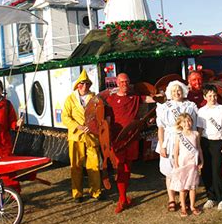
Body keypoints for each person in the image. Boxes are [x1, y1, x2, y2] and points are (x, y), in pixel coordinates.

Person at [105, 73, 156, 213]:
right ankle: (122, 199)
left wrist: (165, 95)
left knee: (127, 168)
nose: (124, 84)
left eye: (126, 82)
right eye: (121, 82)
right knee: (120, 168)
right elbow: (107, 119)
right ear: (117, 83)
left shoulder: (135, 98)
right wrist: (107, 138)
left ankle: (124, 197)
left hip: (132, 138)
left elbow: (151, 99)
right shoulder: (111, 99)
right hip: (118, 139)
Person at [156, 80, 198, 212]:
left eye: (179, 90)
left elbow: (194, 126)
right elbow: (161, 128)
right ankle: (171, 199)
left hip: (185, 142)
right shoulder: (164, 107)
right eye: (173, 91)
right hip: (169, 141)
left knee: (184, 170)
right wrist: (162, 145)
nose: (176, 93)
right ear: (169, 92)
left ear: (184, 91)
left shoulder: (190, 106)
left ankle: (183, 198)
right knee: (170, 171)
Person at [62, 69, 102, 202]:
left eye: (87, 84)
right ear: (77, 85)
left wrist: (93, 127)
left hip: (91, 136)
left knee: (94, 165)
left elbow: (100, 115)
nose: (84, 86)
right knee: (76, 166)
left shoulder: (95, 98)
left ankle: (96, 191)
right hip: (76, 137)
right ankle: (77, 194)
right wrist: (78, 127)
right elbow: (65, 117)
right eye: (82, 84)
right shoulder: (70, 99)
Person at [197, 84, 222, 211]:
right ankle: (210, 197)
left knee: (217, 170)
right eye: (210, 96)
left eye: (214, 95)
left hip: (218, 142)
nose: (213, 98)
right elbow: (200, 129)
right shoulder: (201, 111)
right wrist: (197, 145)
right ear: (205, 97)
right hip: (205, 143)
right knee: (206, 171)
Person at [170, 113, 203, 217]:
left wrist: (202, 160)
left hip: (193, 163)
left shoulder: (196, 134)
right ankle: (183, 207)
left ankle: (192, 206)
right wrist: (176, 164)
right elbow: (176, 151)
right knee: (182, 187)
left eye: (189, 121)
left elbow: (199, 148)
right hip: (182, 164)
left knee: (192, 187)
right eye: (184, 121)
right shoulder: (179, 135)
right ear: (180, 123)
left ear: (192, 122)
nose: (187, 123)